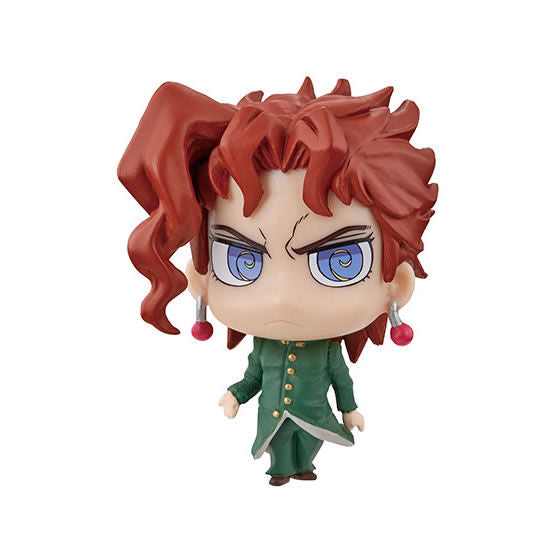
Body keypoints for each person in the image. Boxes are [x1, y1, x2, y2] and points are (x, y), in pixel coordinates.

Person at [117, 78, 438, 485]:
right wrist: (235, 394)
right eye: (241, 260)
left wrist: (349, 408)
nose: (282, 298)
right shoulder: (263, 348)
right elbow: (253, 375)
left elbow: (341, 378)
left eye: (339, 261)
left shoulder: (326, 350)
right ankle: (281, 468)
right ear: (202, 277)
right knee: (277, 444)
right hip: (271, 415)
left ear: (397, 284)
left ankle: (303, 464)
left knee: (310, 439)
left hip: (315, 416)